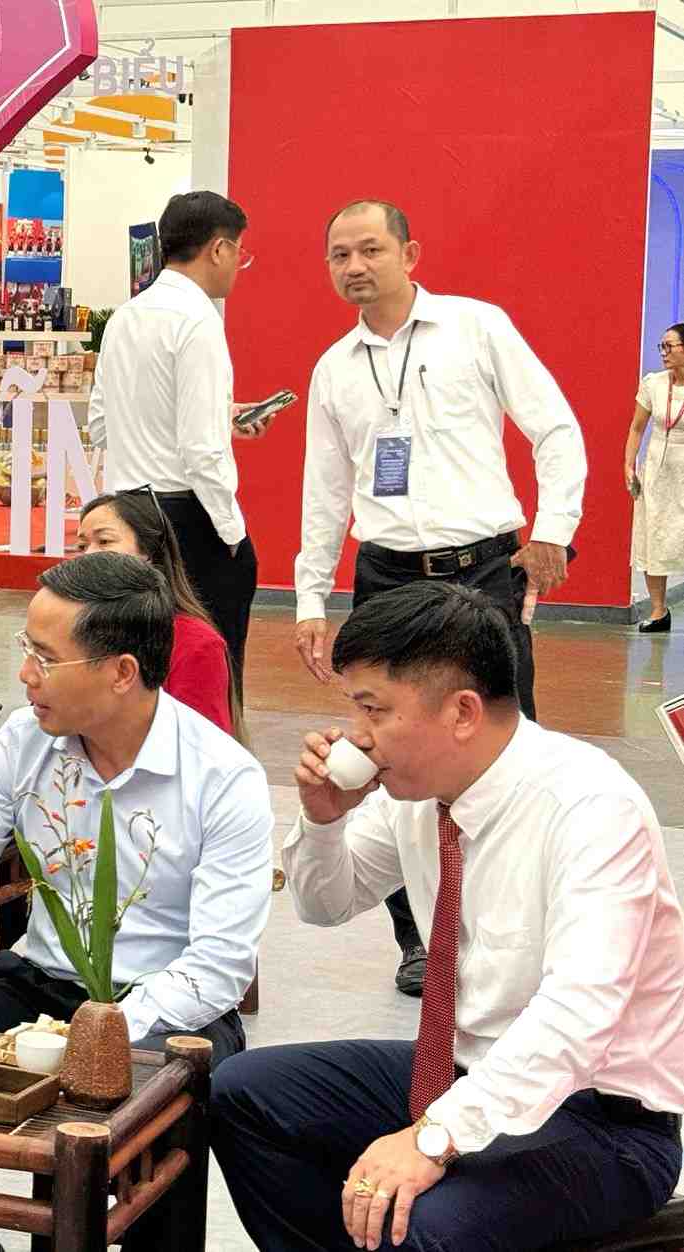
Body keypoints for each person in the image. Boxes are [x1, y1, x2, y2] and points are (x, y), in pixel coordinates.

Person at [212, 581, 684, 1252]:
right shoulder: (418, 786)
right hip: (462, 1072)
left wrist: (434, 1138)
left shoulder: (589, 805)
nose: (358, 736)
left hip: (601, 1120)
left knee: (424, 1224)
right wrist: (320, 822)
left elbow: (577, 1013)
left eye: (373, 709)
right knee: (244, 1093)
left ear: (462, 711)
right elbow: (325, 905)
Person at [0, 551, 271, 1252]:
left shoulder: (222, 777)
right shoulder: (25, 742)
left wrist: (96, 1033)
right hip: (38, 991)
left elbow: (219, 966)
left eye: (43, 657)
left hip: (165, 1009)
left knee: (157, 1131)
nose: (21, 675)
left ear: (121, 672)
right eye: (25, 648)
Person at [294, 199, 587, 996]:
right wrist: (310, 597)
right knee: (384, 753)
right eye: (337, 256)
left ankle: (519, 928)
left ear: (409, 252)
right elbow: (324, 489)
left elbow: (555, 430)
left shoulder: (475, 327)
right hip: (385, 574)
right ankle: (421, 939)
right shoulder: (332, 368)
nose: (354, 267)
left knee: (500, 745)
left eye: (369, 250)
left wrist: (553, 528)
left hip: (483, 569)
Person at [87, 191, 268, 693]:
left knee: (138, 665)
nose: (238, 265)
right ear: (217, 249)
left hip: (126, 512)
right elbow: (200, 451)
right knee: (210, 667)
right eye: (239, 252)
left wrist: (221, 415)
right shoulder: (198, 321)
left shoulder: (126, 315)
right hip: (187, 519)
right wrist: (232, 533)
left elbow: (102, 423)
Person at [76, 486, 240, 740]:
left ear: (149, 553)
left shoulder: (194, 644)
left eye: (105, 541)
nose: (88, 555)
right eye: (81, 546)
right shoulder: (74, 630)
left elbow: (207, 754)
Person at [625, 323, 684, 631]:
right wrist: (629, 464)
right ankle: (659, 611)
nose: (663, 353)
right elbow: (636, 428)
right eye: (661, 347)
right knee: (653, 536)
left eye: (669, 347)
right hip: (657, 470)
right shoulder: (653, 384)